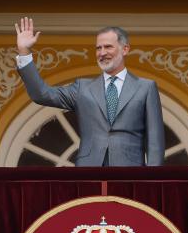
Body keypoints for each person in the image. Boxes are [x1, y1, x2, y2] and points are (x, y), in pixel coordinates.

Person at [14, 17, 164, 166]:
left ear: (125, 49)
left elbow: (155, 141)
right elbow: (42, 94)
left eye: (108, 47)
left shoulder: (146, 87)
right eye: (98, 48)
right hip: (89, 170)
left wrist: (153, 180)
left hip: (131, 172)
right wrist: (24, 52)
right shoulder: (82, 88)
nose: (102, 53)